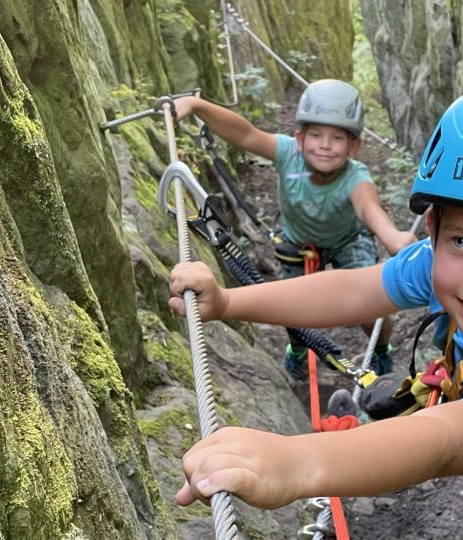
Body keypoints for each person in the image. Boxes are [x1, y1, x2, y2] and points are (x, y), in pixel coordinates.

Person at [169, 78, 463, 539]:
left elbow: (444, 442)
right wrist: (229, 302)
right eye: (462, 240)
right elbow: (354, 291)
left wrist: (297, 464)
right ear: (435, 228)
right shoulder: (447, 265)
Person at [172, 80, 416, 377]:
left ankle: (380, 348)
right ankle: (299, 348)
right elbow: (245, 134)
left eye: (337, 138)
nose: (325, 145)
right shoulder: (288, 154)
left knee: (373, 306)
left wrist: (393, 237)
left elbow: (368, 207)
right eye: (316, 135)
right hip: (298, 242)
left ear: (354, 146)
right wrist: (197, 105)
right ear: (299, 138)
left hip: (347, 240)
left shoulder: (356, 177)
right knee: (290, 307)